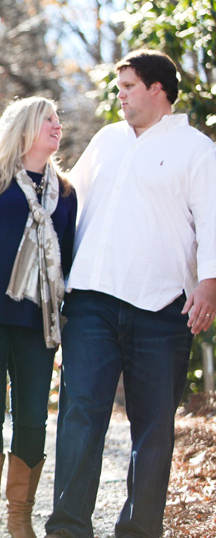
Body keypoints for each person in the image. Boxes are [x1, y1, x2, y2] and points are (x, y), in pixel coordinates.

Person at [44, 50, 216, 538]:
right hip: (92, 299)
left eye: (127, 86)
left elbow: (212, 221)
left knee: (153, 425)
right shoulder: (106, 140)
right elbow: (67, 199)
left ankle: (140, 529)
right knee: (79, 414)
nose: (118, 95)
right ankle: (68, 527)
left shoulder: (196, 149)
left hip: (162, 308)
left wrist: (210, 282)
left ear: (157, 88)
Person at [0, 96, 77, 538]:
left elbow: (68, 257)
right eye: (48, 118)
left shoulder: (64, 191)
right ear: (24, 126)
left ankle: (18, 520)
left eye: (57, 119)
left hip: (37, 323)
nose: (56, 125)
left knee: (32, 417)